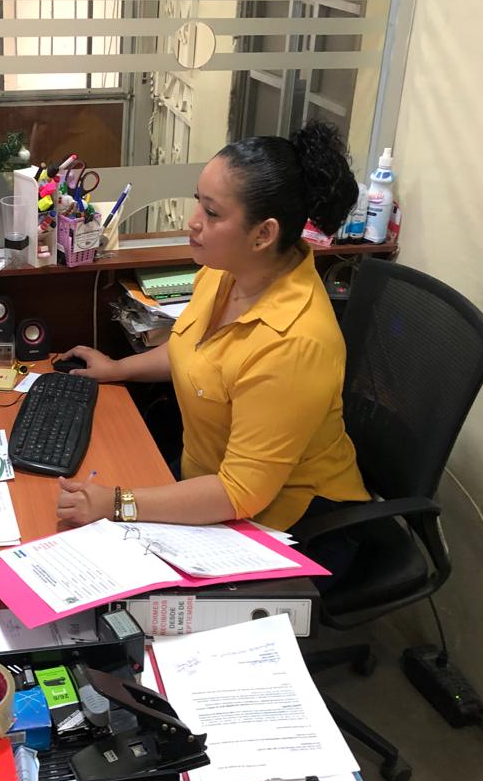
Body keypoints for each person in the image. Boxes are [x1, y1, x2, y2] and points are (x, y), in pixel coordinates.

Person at [54, 123, 371, 577]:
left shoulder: (293, 342)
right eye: (197, 201)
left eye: (212, 212)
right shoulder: (226, 271)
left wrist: (117, 504)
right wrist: (116, 368)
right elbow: (194, 351)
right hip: (208, 481)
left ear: (263, 234)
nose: (193, 221)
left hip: (291, 522)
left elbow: (240, 493)